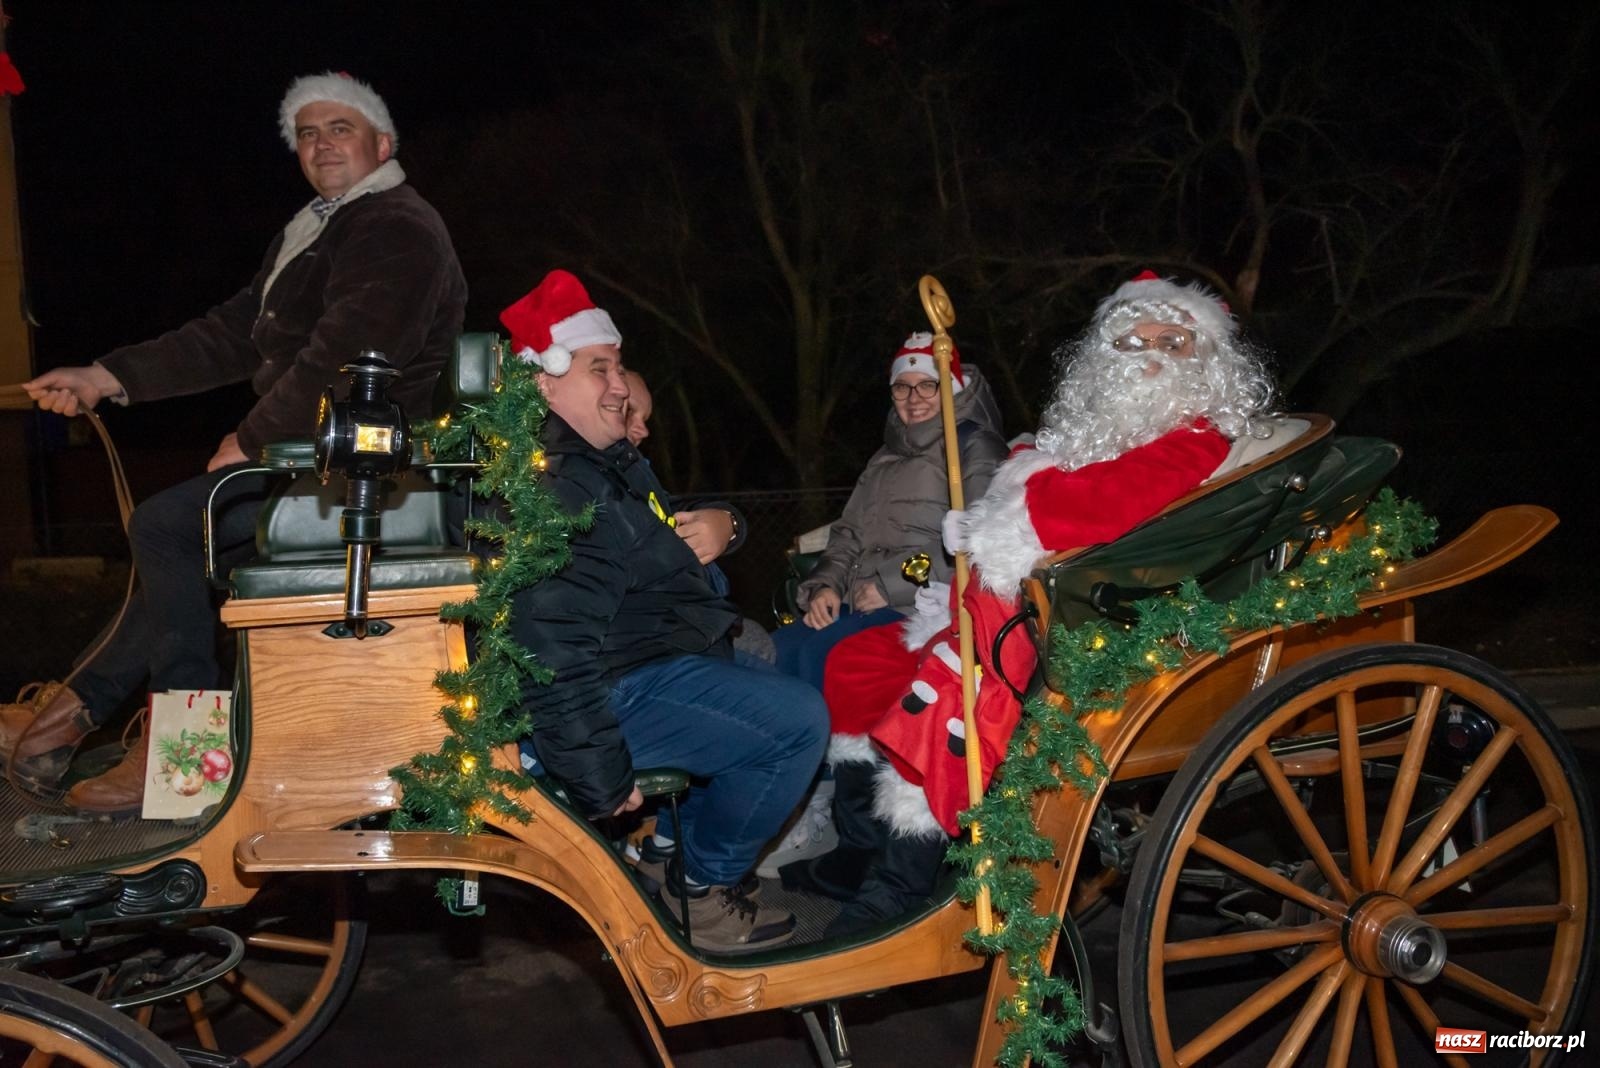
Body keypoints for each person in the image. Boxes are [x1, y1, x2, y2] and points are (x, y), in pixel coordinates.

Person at [1, 72, 468, 813]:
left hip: (358, 469)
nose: (321, 143)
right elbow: (228, 335)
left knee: (166, 525)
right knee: (178, 551)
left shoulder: (395, 228)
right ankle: (65, 723)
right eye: (307, 134)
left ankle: (184, 755)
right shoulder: (320, 228)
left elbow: (348, 354)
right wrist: (106, 376)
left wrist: (253, 439)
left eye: (339, 128)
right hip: (309, 460)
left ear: (383, 143)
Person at [795, 272, 1278, 934]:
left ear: (1207, 357)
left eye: (1172, 339)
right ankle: (858, 846)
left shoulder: (1196, 435)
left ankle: (902, 878)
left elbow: (1096, 506)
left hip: (1089, 617)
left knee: (946, 694)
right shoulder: (1094, 435)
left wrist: (1011, 499)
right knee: (857, 660)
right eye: (1132, 340)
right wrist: (1021, 478)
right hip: (1007, 599)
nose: (1152, 354)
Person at [499, 269, 828, 952]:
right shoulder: (559, 489)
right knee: (798, 722)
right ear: (544, 380)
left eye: (617, 366)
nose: (620, 385)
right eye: (601, 368)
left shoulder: (603, 465)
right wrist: (597, 771)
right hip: (609, 690)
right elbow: (551, 648)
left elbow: (674, 528)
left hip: (644, 659)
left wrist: (730, 527)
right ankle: (700, 889)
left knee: (770, 667)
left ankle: (669, 860)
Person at [772, 334, 1007, 691]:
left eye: (928, 385)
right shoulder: (884, 456)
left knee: (821, 657)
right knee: (778, 651)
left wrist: (890, 585)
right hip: (857, 600)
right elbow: (849, 532)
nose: (914, 399)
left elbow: (982, 542)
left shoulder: (974, 446)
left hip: (922, 608)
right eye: (902, 388)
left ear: (952, 387)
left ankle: (829, 746)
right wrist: (825, 587)